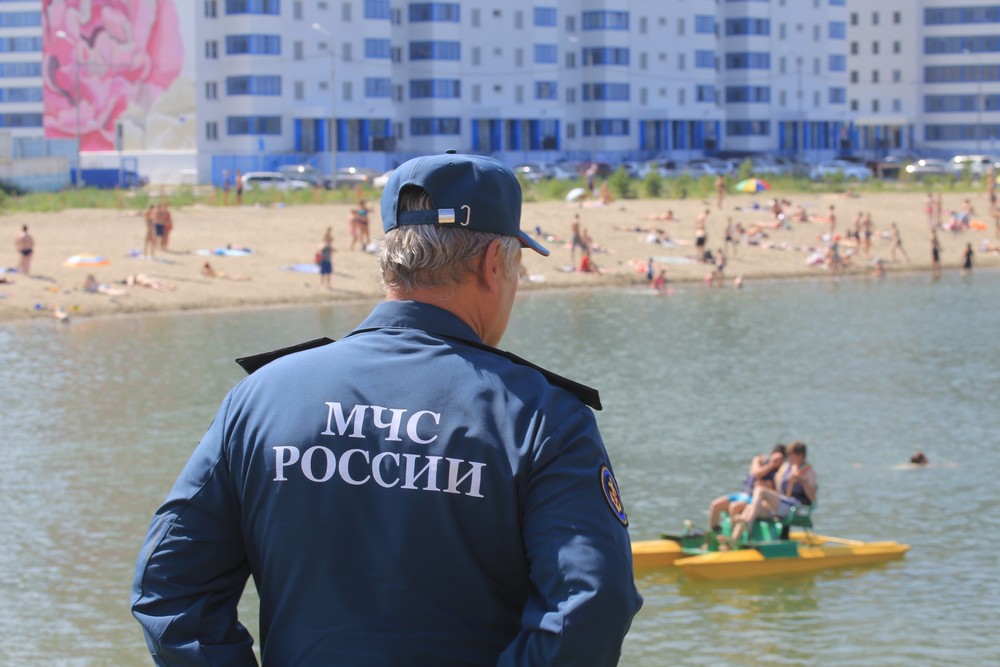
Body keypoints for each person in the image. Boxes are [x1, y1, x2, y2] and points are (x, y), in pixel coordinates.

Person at [131, 152, 642, 665]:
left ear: (392, 259)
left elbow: (170, 589)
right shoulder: (541, 415)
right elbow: (589, 605)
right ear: (493, 264)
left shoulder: (262, 397)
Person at [730, 441, 816, 543]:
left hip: (794, 507)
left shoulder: (808, 472)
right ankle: (733, 541)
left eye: (792, 456)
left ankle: (748, 524)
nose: (789, 459)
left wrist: (802, 481)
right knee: (749, 508)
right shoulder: (787, 467)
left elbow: (812, 498)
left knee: (760, 490)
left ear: (801, 456)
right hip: (781, 504)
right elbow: (778, 489)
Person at [707, 444, 786, 533]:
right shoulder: (759, 460)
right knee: (715, 504)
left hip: (755, 499)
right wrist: (771, 465)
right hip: (744, 495)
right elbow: (756, 474)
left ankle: (732, 537)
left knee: (734, 506)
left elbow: (774, 492)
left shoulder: (781, 471)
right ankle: (715, 533)